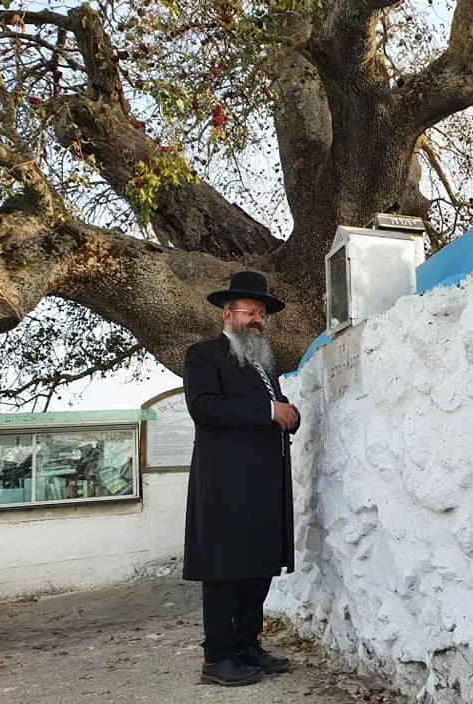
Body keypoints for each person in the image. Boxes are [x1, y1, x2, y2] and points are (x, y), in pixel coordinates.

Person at [182, 271, 301, 687]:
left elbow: (284, 409)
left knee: (258, 565)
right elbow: (205, 408)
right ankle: (218, 657)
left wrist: (290, 415)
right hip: (225, 485)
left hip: (264, 485)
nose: (257, 321)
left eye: (261, 314)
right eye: (250, 312)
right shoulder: (204, 355)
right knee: (224, 570)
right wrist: (269, 414)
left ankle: (248, 646)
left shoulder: (264, 364)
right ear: (228, 315)